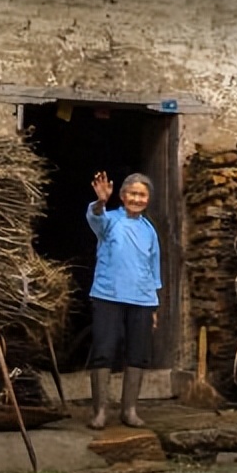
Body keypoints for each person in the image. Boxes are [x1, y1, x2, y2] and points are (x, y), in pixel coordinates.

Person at [85, 170, 161, 429]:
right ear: (122, 195)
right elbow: (95, 217)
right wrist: (101, 202)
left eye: (142, 195)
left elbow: (154, 267)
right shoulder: (110, 220)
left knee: (138, 354)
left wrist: (154, 305)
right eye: (132, 193)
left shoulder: (149, 231)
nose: (137, 199)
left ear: (148, 199)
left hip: (142, 298)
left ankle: (129, 410)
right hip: (108, 295)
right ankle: (100, 412)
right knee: (104, 351)